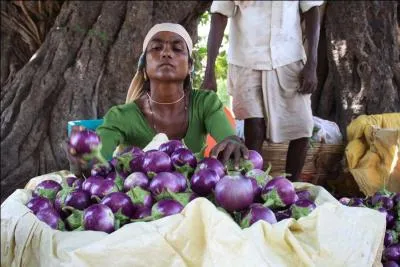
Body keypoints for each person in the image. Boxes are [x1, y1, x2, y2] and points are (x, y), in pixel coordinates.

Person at [68, 23, 248, 176]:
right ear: (144, 66)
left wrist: (233, 144)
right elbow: (97, 158)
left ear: (190, 66)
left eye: (177, 49)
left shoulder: (205, 102)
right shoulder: (121, 116)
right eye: (156, 48)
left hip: (197, 196)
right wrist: (86, 162)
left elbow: (228, 140)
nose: (166, 53)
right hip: (144, 207)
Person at [201, 1, 323, 181]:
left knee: (303, 127)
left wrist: (312, 63)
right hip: (246, 60)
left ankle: (291, 186)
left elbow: (312, 10)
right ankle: (251, 184)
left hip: (288, 57)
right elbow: (219, 15)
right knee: (255, 128)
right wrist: (209, 71)